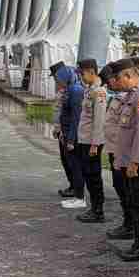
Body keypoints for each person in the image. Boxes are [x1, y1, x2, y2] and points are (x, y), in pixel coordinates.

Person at [109, 59, 139, 262]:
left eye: (118, 78)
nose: (116, 82)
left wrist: (135, 161)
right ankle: (138, 243)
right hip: (130, 161)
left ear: (129, 76)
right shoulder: (132, 96)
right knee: (134, 203)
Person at [73, 58, 109, 223]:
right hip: (85, 140)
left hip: (92, 143)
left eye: (82, 73)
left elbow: (99, 120)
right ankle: (94, 208)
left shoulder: (99, 91)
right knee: (88, 175)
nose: (81, 77)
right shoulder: (89, 90)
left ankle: (98, 210)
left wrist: (95, 144)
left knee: (93, 176)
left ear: (91, 72)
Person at [102, 64, 134, 239]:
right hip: (114, 149)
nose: (109, 84)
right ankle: (127, 222)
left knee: (126, 190)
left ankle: (131, 226)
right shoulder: (117, 97)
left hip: (123, 152)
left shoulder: (129, 98)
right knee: (119, 187)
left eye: (111, 80)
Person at [55, 64, 86, 205]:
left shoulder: (75, 90)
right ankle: (77, 194)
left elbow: (76, 117)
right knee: (70, 163)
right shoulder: (69, 89)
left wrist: (71, 140)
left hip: (72, 135)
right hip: (66, 133)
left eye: (58, 79)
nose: (57, 82)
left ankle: (79, 197)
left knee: (75, 165)